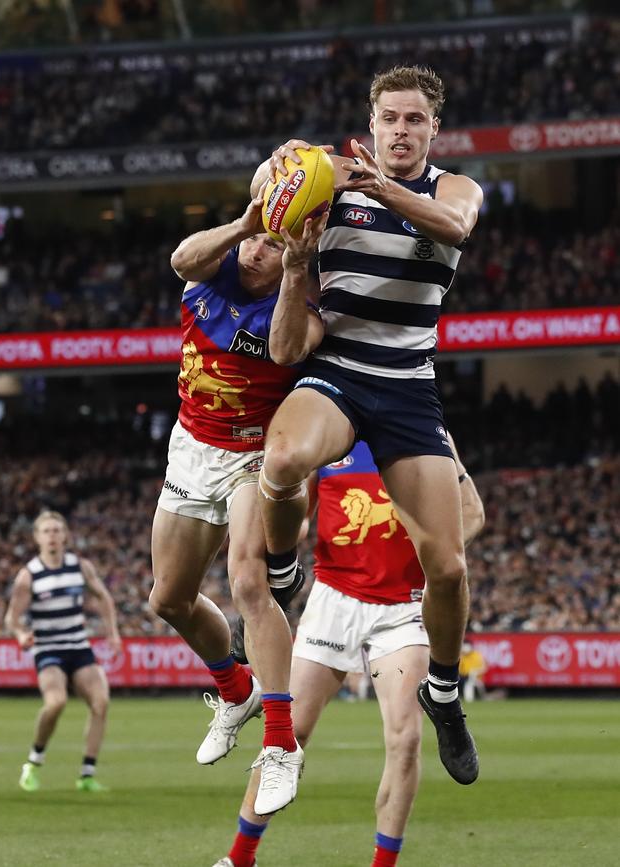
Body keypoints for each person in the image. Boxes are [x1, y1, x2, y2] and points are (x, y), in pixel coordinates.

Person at [250, 64, 484, 785]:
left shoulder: (453, 189)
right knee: (283, 461)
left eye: (415, 120)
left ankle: (443, 691)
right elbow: (289, 349)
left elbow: (455, 227)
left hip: (410, 388)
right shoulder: (327, 192)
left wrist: (373, 184)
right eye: (391, 119)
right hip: (341, 373)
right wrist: (294, 260)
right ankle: (287, 569)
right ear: (372, 123)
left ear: (434, 128)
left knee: (446, 566)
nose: (402, 131)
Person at [213, 435, 484, 867]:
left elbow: (471, 514)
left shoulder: (426, 431)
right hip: (333, 600)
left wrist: (430, 542)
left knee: (406, 738)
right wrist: (262, 527)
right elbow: (298, 518)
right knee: (289, 732)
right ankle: (240, 858)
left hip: (404, 607)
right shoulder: (331, 430)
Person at [148, 186, 327, 814]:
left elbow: (284, 350)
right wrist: (248, 222)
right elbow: (180, 260)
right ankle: (234, 688)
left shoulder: (305, 301)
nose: (255, 251)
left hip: (255, 452)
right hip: (191, 445)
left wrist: (296, 267)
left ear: (293, 258)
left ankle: (281, 744)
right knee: (167, 598)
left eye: (270, 246)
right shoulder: (216, 264)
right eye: (255, 239)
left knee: (248, 585)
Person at [4, 510, 121, 793]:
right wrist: (20, 634)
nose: (52, 536)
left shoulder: (79, 567)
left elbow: (103, 597)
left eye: (57, 530)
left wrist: (112, 632)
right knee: (56, 702)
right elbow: (11, 617)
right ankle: (34, 761)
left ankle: (87, 774)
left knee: (100, 702)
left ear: (65, 535)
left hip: (78, 646)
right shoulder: (28, 575)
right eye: (46, 531)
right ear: (37, 538)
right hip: (48, 649)